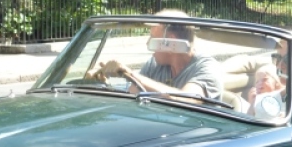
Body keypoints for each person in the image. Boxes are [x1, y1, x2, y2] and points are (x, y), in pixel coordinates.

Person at [95, 18, 223, 99]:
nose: (147, 43)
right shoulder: (155, 64)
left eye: (152, 38)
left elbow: (187, 100)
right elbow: (132, 94)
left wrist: (132, 74)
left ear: (170, 41)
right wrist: (101, 86)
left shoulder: (207, 66)